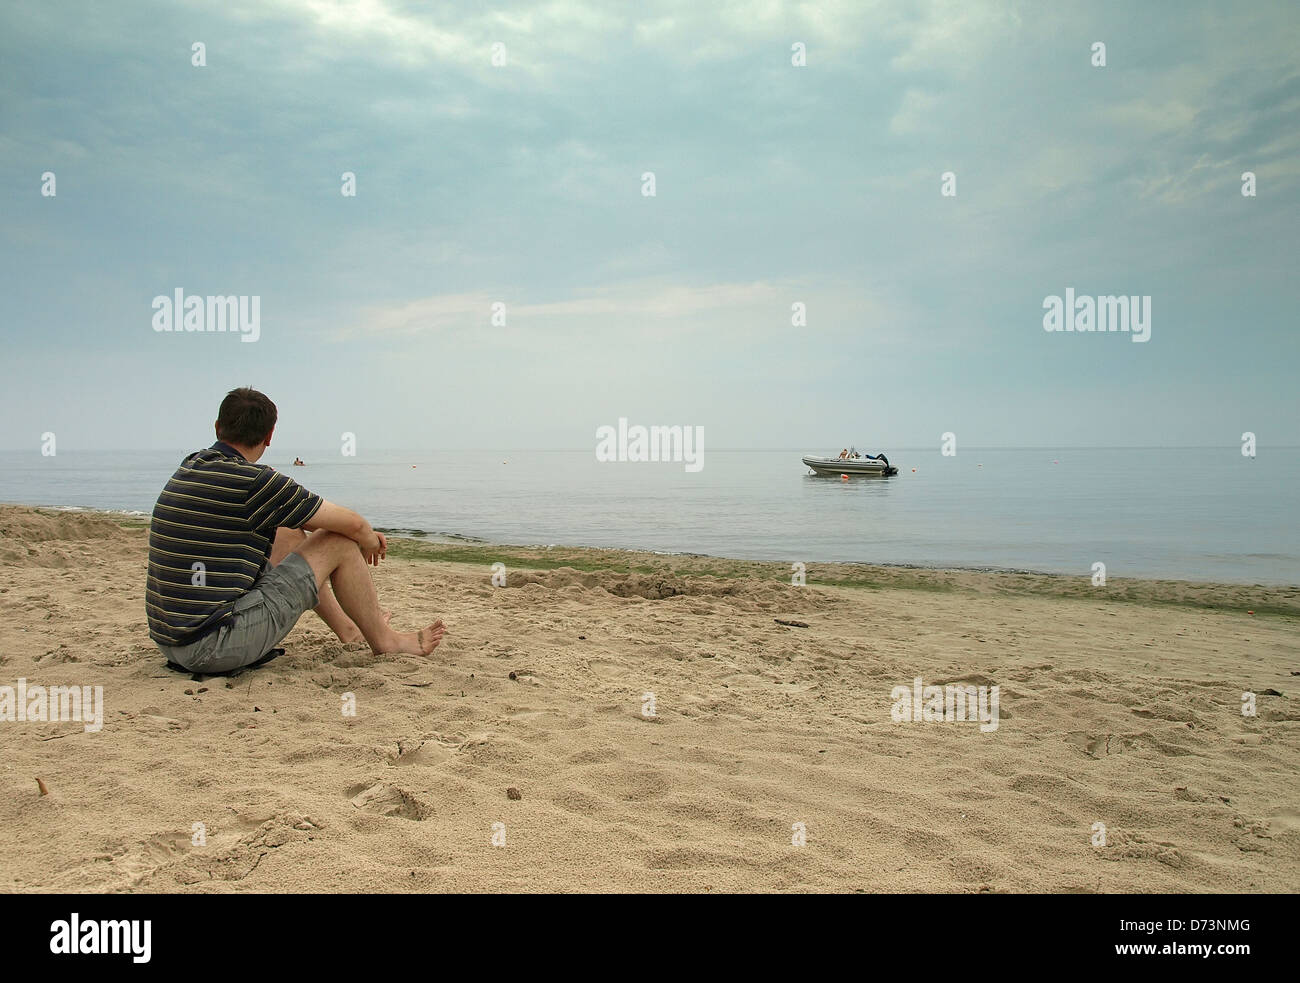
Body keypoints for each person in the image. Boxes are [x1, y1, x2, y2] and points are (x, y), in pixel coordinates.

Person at [145, 387, 446, 674]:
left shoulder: (191, 465)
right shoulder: (254, 482)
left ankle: (350, 630)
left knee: (287, 529)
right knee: (338, 541)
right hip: (213, 646)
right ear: (270, 436)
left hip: (171, 641)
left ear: (217, 428)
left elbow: (308, 520)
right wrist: (369, 541)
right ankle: (385, 640)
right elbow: (350, 524)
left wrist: (357, 534)